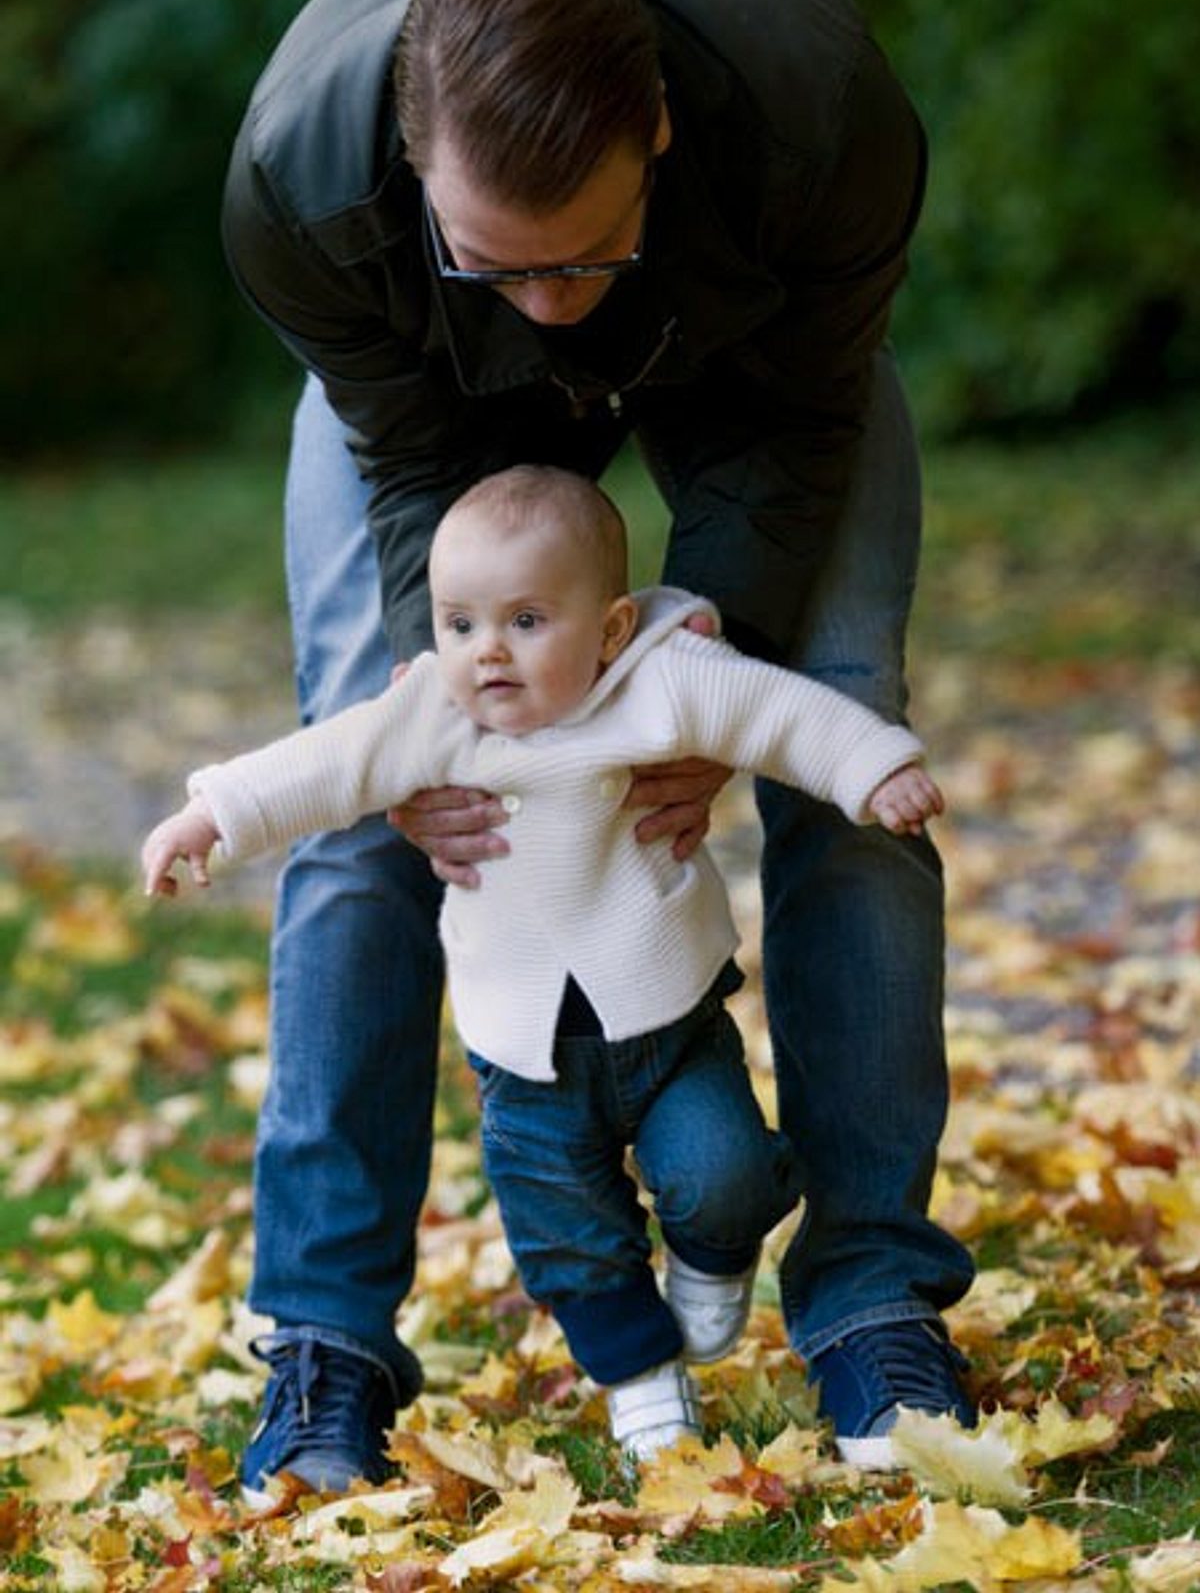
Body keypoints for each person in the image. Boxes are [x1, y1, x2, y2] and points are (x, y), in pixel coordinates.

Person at [218, 0, 976, 1493]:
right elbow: (410, 465)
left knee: (846, 758)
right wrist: (427, 734)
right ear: (415, 162)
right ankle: (325, 1337)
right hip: (434, 420)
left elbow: (806, 427)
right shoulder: (300, 179)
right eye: (500, 256)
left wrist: (720, 668)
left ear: (660, 137)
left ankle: (875, 1291)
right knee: (372, 791)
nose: (554, 304)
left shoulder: (819, 111)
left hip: (765, 382)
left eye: (586, 246)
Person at [144, 464, 949, 1477]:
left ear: (610, 630)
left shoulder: (662, 678)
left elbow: (783, 714)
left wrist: (876, 765)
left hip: (666, 1023)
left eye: (527, 621)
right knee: (568, 1237)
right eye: (461, 621)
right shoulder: (434, 708)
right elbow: (324, 764)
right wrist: (209, 814)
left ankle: (715, 1261)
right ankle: (644, 1381)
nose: (488, 651)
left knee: (726, 1172)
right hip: (523, 1058)